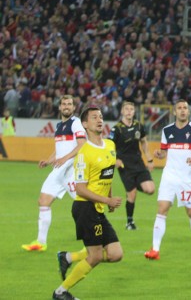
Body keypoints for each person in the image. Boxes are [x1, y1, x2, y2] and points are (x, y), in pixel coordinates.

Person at [53, 106, 123, 300]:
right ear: (85, 124)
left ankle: (68, 257)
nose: (99, 120)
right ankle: (61, 292)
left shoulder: (110, 145)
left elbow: (107, 174)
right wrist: (107, 199)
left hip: (98, 206)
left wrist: (109, 196)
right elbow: (80, 188)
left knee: (116, 254)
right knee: (96, 256)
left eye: (101, 116)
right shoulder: (84, 152)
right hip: (85, 208)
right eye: (94, 117)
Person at [144, 100, 191, 260]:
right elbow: (164, 151)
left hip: (187, 178)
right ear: (174, 112)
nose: (182, 111)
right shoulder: (167, 130)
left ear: (188, 112)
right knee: (162, 208)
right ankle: (155, 249)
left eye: (185, 108)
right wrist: (160, 154)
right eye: (179, 108)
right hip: (169, 176)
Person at [22, 95, 86, 252]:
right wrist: (49, 160)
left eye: (69, 104)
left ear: (73, 107)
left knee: (84, 204)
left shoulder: (76, 123)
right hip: (58, 170)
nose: (66, 106)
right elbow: (59, 149)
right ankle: (41, 242)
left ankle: (98, 238)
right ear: (60, 107)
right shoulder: (59, 126)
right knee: (43, 200)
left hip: (72, 170)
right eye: (64, 104)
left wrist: (64, 158)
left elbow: (82, 144)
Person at [108, 101, 155, 230]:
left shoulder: (139, 126)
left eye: (131, 109)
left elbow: (144, 142)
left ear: (134, 112)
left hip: (139, 164)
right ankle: (129, 222)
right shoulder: (116, 129)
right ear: (122, 111)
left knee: (150, 189)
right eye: (126, 109)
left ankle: (132, 186)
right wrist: (115, 159)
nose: (129, 111)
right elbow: (108, 147)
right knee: (132, 194)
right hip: (125, 166)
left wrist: (149, 159)